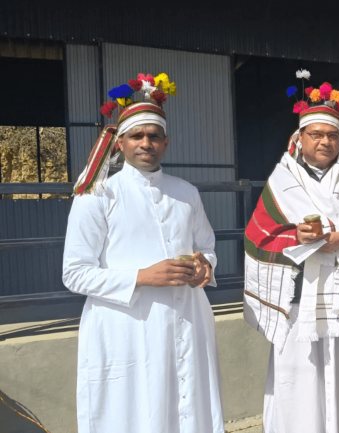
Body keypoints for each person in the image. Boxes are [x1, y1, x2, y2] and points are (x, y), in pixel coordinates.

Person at [63, 74, 224, 432]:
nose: (146, 143)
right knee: (134, 413)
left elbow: (207, 248)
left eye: (154, 136)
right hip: (128, 328)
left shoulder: (186, 192)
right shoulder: (97, 194)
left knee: (189, 409)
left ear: (166, 142)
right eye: (137, 135)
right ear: (120, 142)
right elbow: (74, 273)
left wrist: (205, 266)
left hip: (188, 320)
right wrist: (142, 277)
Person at [243, 73, 339, 433]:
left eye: (332, 135)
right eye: (316, 134)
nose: (325, 141)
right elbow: (258, 237)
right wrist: (296, 235)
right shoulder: (281, 181)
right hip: (300, 300)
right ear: (300, 138)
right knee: (301, 382)